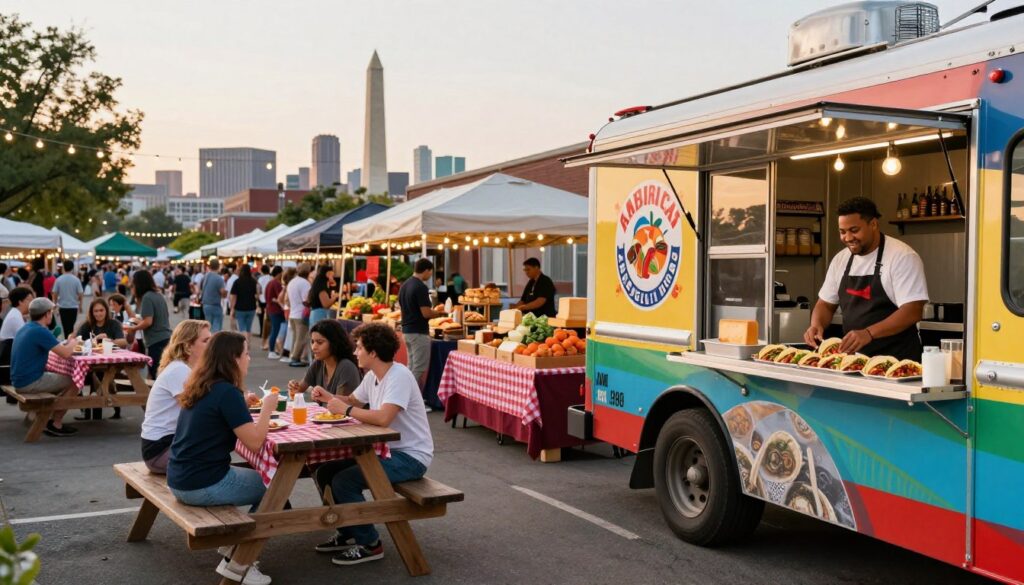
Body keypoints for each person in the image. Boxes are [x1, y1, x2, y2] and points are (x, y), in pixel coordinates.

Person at [310, 323, 433, 566]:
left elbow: (383, 417)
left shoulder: (399, 376)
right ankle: (349, 532)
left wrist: (344, 408)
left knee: (345, 481)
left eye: (359, 347)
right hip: (385, 451)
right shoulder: (373, 376)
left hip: (410, 457)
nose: (355, 352)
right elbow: (354, 400)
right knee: (325, 470)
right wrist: (328, 397)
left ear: (373, 352)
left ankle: (370, 543)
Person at [167, 331, 277, 585]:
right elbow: (255, 442)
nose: (249, 358)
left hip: (180, 478)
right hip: (201, 484)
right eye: (246, 353)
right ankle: (239, 562)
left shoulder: (203, 384)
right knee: (276, 488)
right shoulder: (227, 392)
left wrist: (244, 407)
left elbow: (218, 419)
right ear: (233, 359)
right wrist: (268, 410)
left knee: (267, 482)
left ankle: (233, 548)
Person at [804, 196, 929, 360]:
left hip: (898, 360)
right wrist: (816, 325)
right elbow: (826, 304)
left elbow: (912, 311)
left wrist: (869, 333)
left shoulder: (902, 256)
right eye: (842, 232)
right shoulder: (841, 260)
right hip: (854, 360)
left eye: (854, 230)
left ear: (874, 224)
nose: (848, 238)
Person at [140, 320, 211, 473]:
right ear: (188, 346)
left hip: (165, 445)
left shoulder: (185, 368)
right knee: (215, 453)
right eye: (206, 341)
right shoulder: (179, 370)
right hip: (159, 452)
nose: (211, 345)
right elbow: (199, 411)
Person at [10, 298, 80, 437]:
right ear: (47, 314)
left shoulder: (27, 327)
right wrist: (75, 341)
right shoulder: (40, 331)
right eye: (52, 312)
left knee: (60, 376)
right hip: (29, 382)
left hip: (19, 380)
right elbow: (66, 353)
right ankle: (56, 423)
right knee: (76, 381)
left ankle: (45, 414)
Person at [75, 297, 129, 421]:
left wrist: (109, 340)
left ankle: (96, 410)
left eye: (101, 310)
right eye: (96, 311)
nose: (99, 313)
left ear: (106, 311)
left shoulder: (113, 323)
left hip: (110, 363)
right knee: (87, 375)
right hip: (90, 363)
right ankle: (87, 410)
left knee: (101, 376)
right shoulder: (87, 325)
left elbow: (123, 342)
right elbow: (75, 340)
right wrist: (91, 341)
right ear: (91, 312)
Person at [287, 319, 361, 401]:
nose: (314, 347)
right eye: (312, 342)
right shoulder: (318, 364)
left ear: (334, 343)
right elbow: (299, 390)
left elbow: (340, 406)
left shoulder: (346, 367)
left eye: (320, 342)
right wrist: (294, 386)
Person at [398, 259, 443, 388]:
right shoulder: (420, 287)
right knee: (418, 368)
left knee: (411, 366)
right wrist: (441, 313)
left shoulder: (405, 285)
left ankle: (407, 398)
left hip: (406, 330)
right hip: (418, 332)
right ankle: (407, 398)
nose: (430, 276)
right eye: (430, 272)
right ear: (426, 270)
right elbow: (426, 313)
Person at [125, 270, 173, 378]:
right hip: (167, 338)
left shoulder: (147, 297)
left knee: (156, 375)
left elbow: (148, 322)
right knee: (160, 374)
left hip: (156, 341)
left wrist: (133, 329)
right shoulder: (158, 295)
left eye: (134, 283)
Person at [51, 260, 84, 340]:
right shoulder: (76, 279)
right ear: (72, 268)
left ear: (63, 268)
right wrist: (80, 305)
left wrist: (55, 303)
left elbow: (54, 293)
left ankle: (67, 340)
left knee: (65, 326)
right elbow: (80, 293)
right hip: (73, 306)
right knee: (71, 326)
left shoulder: (59, 279)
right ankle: (70, 340)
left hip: (63, 307)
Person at [287, 263, 312, 368]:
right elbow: (306, 300)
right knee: (301, 338)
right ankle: (295, 358)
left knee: (295, 337)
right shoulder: (305, 283)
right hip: (301, 314)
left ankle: (292, 355)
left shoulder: (292, 282)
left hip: (293, 313)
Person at [229, 264, 259, 343]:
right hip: (251, 308)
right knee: (248, 327)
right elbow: (257, 294)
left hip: (240, 308)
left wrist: (232, 308)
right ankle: (248, 344)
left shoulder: (237, 282)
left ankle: (245, 343)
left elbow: (233, 296)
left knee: (242, 327)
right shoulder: (254, 281)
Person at [264, 266, 285, 360]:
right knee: (275, 330)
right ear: (279, 273)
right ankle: (272, 351)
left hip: (270, 309)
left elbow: (267, 297)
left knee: (274, 330)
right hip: (276, 310)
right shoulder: (276, 283)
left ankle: (272, 350)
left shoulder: (269, 283)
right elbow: (280, 297)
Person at [200, 259, 227, 333]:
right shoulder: (219, 278)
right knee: (216, 327)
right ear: (218, 266)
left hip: (205, 304)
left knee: (208, 326)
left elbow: (201, 288)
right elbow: (223, 293)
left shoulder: (205, 276)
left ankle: (208, 341)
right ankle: (214, 342)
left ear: (209, 266)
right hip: (215, 305)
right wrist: (226, 292)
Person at [257, 264, 272, 346]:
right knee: (268, 319)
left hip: (261, 299)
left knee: (261, 317)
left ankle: (261, 332)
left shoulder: (260, 279)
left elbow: (258, 290)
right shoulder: (270, 278)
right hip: (269, 300)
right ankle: (267, 333)